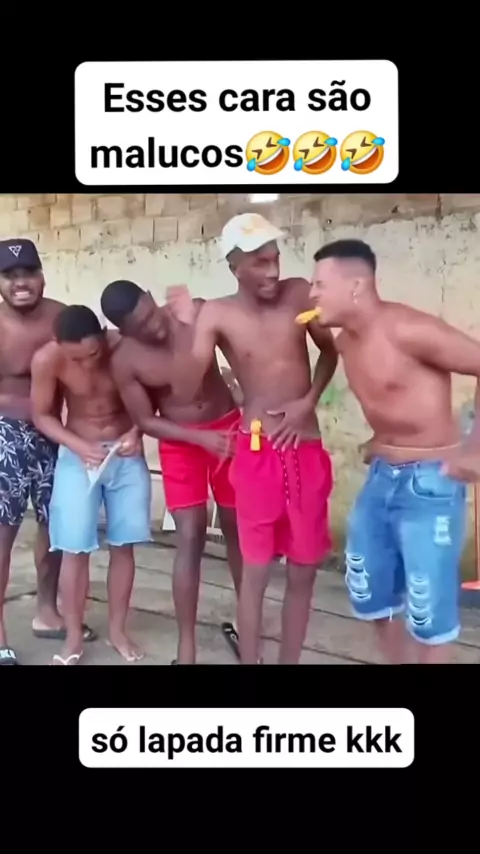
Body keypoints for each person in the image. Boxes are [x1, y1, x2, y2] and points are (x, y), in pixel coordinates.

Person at [168, 212, 338, 664]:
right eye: (260, 262)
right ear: (234, 267)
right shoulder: (217, 313)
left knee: (303, 572)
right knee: (255, 573)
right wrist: (187, 326)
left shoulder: (299, 293)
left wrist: (307, 402)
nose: (273, 271)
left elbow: (330, 352)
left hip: (304, 446)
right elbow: (185, 386)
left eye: (275, 258)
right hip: (257, 451)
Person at [310, 238, 480, 665]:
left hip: (432, 482)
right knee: (371, 593)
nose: (312, 294)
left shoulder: (408, 329)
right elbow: (391, 397)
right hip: (382, 478)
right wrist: (381, 438)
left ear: (355, 286)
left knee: (428, 612)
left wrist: (475, 447)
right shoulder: (345, 342)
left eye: (319, 284)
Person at [99, 279, 243, 665]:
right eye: (141, 326)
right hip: (180, 441)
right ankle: (187, 647)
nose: (154, 327)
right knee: (190, 536)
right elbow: (146, 419)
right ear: (125, 332)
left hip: (228, 429)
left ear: (151, 296)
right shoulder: (126, 360)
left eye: (151, 314)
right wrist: (199, 439)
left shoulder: (196, 314)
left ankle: (248, 626)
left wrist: (249, 401)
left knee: (237, 528)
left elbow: (243, 355)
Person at [30, 305, 152, 665]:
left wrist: (137, 431)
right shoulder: (48, 359)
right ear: (59, 345)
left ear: (103, 334)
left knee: (124, 545)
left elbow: (153, 404)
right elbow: (42, 414)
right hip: (77, 455)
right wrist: (77, 445)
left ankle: (117, 631)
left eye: (93, 354)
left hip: (125, 455)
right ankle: (72, 635)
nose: (86, 364)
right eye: (76, 358)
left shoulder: (125, 348)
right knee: (74, 547)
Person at [0, 238, 96, 665]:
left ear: (42, 276)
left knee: (55, 529)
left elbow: (103, 351)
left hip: (53, 435)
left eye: (28, 273)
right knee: (2, 532)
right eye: (10, 276)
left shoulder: (62, 318)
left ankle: (46, 611)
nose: (20, 283)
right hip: (4, 433)